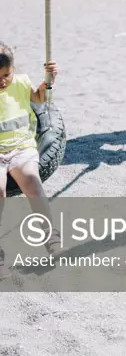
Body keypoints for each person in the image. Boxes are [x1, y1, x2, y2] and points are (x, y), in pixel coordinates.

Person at [0, 43, 61, 279]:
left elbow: (40, 99)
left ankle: (51, 238)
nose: (2, 82)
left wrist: (49, 80)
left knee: (34, 185)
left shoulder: (22, 82)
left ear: (13, 69)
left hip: (21, 148)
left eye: (6, 75)